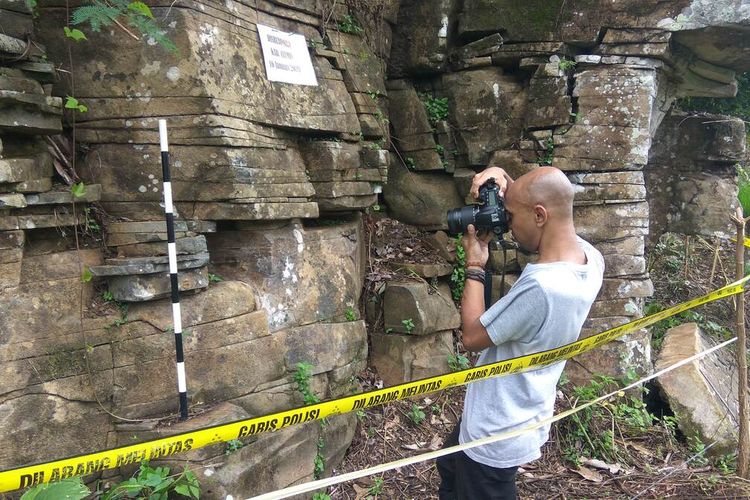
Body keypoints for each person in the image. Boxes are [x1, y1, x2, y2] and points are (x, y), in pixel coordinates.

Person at [436, 166, 605, 499]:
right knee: (449, 464)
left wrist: (474, 266)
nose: (507, 224)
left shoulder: (542, 288)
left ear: (539, 215)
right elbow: (551, 204)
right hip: (522, 410)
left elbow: (471, 337)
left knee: (477, 485)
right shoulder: (591, 260)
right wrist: (505, 180)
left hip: (496, 428)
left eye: (509, 215)